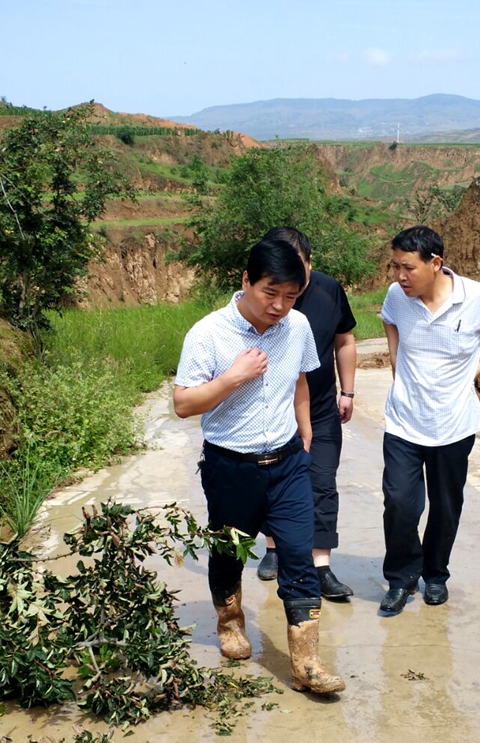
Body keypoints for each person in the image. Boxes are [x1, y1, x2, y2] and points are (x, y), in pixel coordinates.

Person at [173, 238, 344, 694]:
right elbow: (183, 404)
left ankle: (306, 663)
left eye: (291, 296)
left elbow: (300, 379)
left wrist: (305, 433)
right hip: (231, 468)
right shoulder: (208, 334)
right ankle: (230, 623)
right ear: (246, 280)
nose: (280, 306)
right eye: (271, 292)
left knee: (299, 556)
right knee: (230, 551)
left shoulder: (298, 325)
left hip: (288, 464)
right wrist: (233, 377)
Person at [377, 225, 480, 616]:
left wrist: (479, 364)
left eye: (408, 268)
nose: (400, 276)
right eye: (395, 267)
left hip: (454, 424)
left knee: (445, 505)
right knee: (400, 502)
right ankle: (401, 578)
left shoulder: (478, 298)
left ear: (436, 263)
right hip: (404, 421)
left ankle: (436, 574)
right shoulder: (397, 296)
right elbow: (389, 319)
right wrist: (396, 361)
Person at [255, 227, 358, 601]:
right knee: (273, 481)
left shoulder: (329, 291)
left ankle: (320, 566)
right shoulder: (264, 296)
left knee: (322, 482)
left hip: (321, 408)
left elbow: (344, 339)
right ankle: (273, 547)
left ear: (310, 262)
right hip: (273, 410)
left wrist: (347, 391)